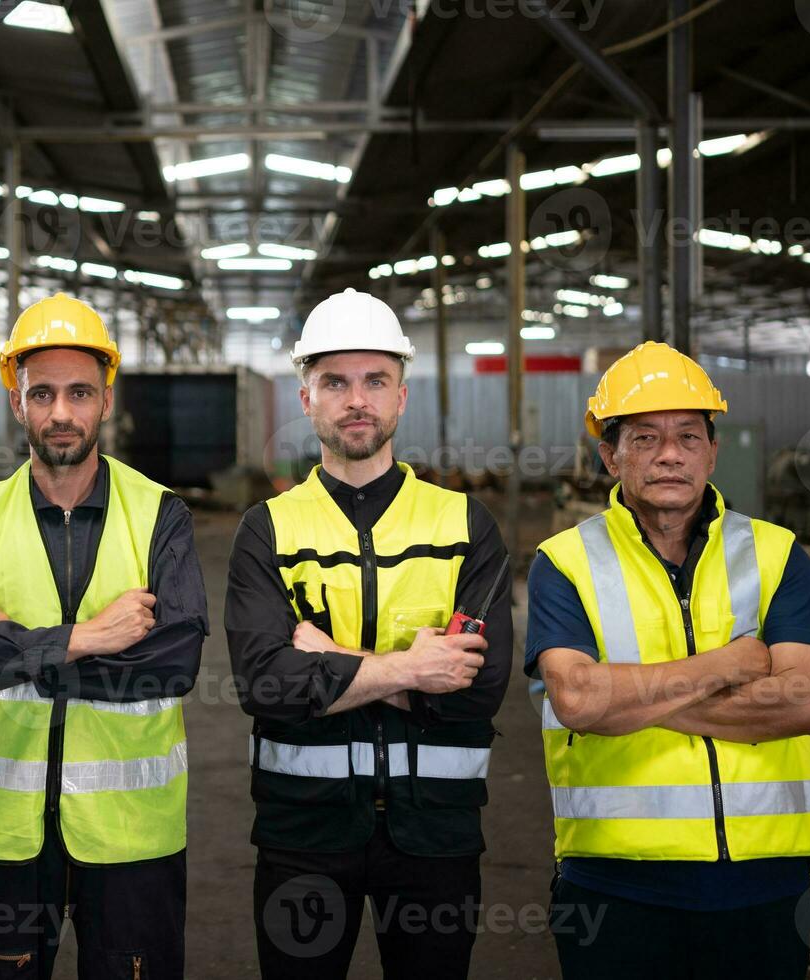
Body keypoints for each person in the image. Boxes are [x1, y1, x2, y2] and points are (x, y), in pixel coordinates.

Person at [0, 293, 207, 979]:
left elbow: (171, 661)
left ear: (106, 400)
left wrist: (6, 644)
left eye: (78, 393)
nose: (60, 413)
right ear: (17, 402)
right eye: (41, 393)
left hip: (131, 837)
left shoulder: (161, 515)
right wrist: (83, 638)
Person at [225, 288, 512, 979]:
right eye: (335, 382)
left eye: (374, 381)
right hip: (302, 831)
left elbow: (479, 692)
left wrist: (330, 658)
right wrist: (415, 668)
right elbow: (266, 684)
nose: (356, 399)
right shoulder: (267, 529)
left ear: (401, 396)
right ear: (307, 398)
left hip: (435, 836)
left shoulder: (464, 524)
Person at [528, 341, 810, 979]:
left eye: (688, 436)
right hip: (615, 883)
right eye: (644, 438)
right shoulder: (564, 562)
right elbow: (579, 701)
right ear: (610, 455)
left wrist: (631, 699)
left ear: (712, 451)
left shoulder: (777, 555)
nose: (670, 454)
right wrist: (726, 665)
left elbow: (805, 701)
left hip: (766, 882)